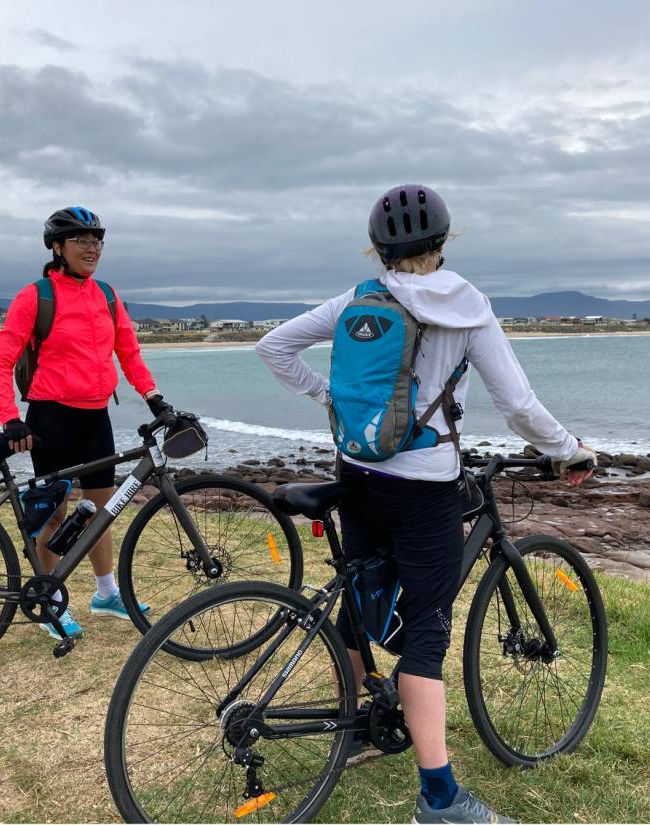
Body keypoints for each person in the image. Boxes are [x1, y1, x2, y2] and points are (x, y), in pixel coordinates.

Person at [255, 184, 596, 824]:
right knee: (426, 638)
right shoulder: (468, 307)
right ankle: (439, 799)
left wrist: (329, 399)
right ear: (443, 242)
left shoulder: (359, 299)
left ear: (379, 248)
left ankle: (359, 721)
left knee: (358, 600)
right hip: (423, 486)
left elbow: (272, 347)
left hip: (355, 470)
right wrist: (568, 449)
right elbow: (519, 405)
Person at [0, 206, 174, 640]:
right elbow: (0, 360)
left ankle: (106, 594)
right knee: (53, 516)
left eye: (97, 241)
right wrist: (10, 418)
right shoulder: (35, 297)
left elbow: (128, 353)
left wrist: (153, 399)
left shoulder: (106, 295)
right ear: (57, 247)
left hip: (95, 418)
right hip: (50, 418)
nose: (92, 248)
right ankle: (50, 599)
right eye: (81, 240)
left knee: (101, 513)